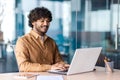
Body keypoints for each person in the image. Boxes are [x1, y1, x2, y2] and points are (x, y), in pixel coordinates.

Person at [15, 7, 69, 72]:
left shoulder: (51, 42)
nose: (46, 24)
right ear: (33, 22)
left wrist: (64, 65)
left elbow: (58, 61)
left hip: (52, 77)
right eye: (42, 21)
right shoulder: (23, 41)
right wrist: (50, 67)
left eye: (48, 21)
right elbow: (23, 66)